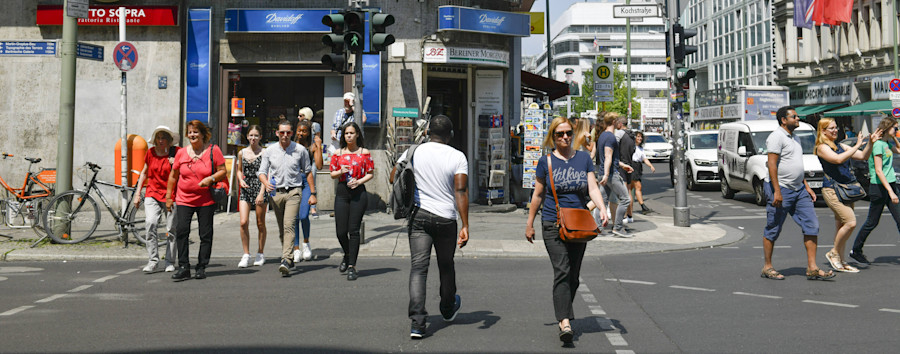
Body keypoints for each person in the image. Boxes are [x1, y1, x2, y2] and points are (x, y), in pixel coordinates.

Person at [525, 116, 608, 345]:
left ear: (573, 134)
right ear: (553, 137)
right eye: (560, 134)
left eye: (568, 133)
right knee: (562, 270)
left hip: (579, 223)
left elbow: (592, 187)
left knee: (573, 276)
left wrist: (602, 209)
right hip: (553, 223)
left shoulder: (583, 159)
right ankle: (565, 321)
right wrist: (530, 223)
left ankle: (563, 309)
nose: (565, 137)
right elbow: (538, 195)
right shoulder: (546, 161)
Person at [389, 115, 469, 339]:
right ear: (450, 135)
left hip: (418, 217)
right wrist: (466, 225)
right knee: (446, 265)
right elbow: (460, 191)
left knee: (418, 268)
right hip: (446, 219)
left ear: (427, 133)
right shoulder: (458, 157)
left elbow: (393, 177)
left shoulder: (414, 152)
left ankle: (417, 322)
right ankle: (447, 307)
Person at [760, 106, 834, 281]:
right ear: (784, 120)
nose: (798, 118)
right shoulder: (776, 137)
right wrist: (777, 191)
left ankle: (812, 268)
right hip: (781, 188)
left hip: (799, 189)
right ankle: (767, 267)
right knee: (773, 228)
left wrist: (806, 186)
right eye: (794, 116)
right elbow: (772, 165)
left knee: (812, 225)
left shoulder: (795, 138)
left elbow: (796, 165)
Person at [166, 120, 227, 281]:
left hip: (205, 200)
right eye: (190, 132)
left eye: (195, 132)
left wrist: (210, 179)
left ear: (202, 134)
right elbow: (173, 176)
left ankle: (201, 267)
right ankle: (184, 267)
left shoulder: (214, 150)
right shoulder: (181, 153)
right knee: (182, 231)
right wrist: (168, 197)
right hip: (184, 199)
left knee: (205, 234)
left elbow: (223, 171)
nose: (192, 135)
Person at [815, 118, 878, 273]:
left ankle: (841, 261)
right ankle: (834, 253)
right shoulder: (821, 147)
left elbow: (863, 156)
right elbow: (837, 160)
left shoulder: (840, 145)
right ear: (823, 131)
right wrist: (856, 144)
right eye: (831, 128)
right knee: (850, 222)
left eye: (836, 127)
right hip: (832, 190)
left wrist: (870, 142)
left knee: (841, 226)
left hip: (847, 189)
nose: (835, 130)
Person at [258, 120, 316, 277]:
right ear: (277, 133)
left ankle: (286, 259)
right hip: (276, 193)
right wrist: (266, 183)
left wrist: (312, 193)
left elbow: (308, 171)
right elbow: (262, 172)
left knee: (289, 224)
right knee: (282, 228)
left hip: (294, 192)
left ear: (292, 133)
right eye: (282, 132)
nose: (285, 135)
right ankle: (289, 255)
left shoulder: (300, 150)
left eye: (288, 132)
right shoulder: (269, 151)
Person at [850, 117, 900, 265]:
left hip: (890, 184)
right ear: (887, 127)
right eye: (895, 128)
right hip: (879, 188)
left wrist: (894, 138)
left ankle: (856, 250)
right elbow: (878, 170)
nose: (897, 131)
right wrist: (890, 192)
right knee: (872, 222)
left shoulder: (886, 143)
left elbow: (899, 150)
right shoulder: (878, 145)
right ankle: (856, 250)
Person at [329, 122, 374, 281]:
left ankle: (352, 266)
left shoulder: (364, 152)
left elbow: (370, 173)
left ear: (357, 135)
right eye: (346, 133)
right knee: (341, 231)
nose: (349, 136)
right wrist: (340, 171)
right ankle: (347, 254)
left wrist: (359, 181)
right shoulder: (338, 153)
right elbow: (332, 173)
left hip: (358, 193)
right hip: (342, 192)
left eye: (351, 133)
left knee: (354, 230)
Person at [134, 125, 180, 273]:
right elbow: (144, 173)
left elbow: (186, 169)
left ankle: (169, 261)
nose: (161, 141)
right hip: (152, 193)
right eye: (158, 138)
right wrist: (137, 193)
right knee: (151, 223)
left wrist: (176, 164)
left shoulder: (176, 153)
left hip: (170, 195)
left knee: (171, 229)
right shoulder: (150, 153)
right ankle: (153, 260)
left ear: (169, 140)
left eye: (164, 138)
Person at [597, 112, 634, 237]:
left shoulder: (602, 136)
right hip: (611, 174)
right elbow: (608, 156)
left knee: (601, 201)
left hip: (603, 172)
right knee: (625, 199)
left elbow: (610, 157)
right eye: (617, 120)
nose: (619, 122)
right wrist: (607, 175)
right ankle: (618, 227)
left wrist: (623, 165)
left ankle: (597, 228)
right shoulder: (611, 137)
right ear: (613, 122)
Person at [292, 119, 324, 262]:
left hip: (305, 181)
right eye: (299, 130)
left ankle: (306, 243)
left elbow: (319, 165)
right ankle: (296, 248)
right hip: (292, 182)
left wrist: (319, 147)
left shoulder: (311, 147)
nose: (301, 133)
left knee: (304, 215)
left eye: (304, 131)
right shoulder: (291, 146)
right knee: (294, 217)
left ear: (308, 132)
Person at [236, 125, 268, 268]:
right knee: (243, 222)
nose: (253, 138)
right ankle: (246, 254)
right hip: (246, 187)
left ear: (260, 137)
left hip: (260, 187)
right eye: (251, 135)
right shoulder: (242, 152)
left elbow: (267, 173)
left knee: (260, 222)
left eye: (256, 135)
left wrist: (262, 192)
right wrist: (240, 179)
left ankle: (260, 252)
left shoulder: (265, 153)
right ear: (247, 136)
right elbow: (239, 170)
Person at [298, 107, 323, 220]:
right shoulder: (295, 144)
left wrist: (318, 147)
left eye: (301, 115)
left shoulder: (315, 125)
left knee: (312, 179)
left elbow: (319, 166)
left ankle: (313, 208)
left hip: (311, 156)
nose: (299, 118)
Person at [616, 117, 637, 224]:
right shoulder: (631, 134)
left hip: (622, 165)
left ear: (620, 124)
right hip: (630, 163)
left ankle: (623, 216)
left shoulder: (620, 133)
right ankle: (630, 215)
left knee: (623, 192)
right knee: (629, 191)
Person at [631, 131, 656, 214]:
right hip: (632, 166)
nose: (640, 138)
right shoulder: (631, 146)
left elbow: (644, 159)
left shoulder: (640, 148)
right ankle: (643, 207)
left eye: (641, 137)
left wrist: (651, 166)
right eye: (638, 136)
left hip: (638, 167)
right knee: (638, 187)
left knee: (630, 188)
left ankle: (627, 210)